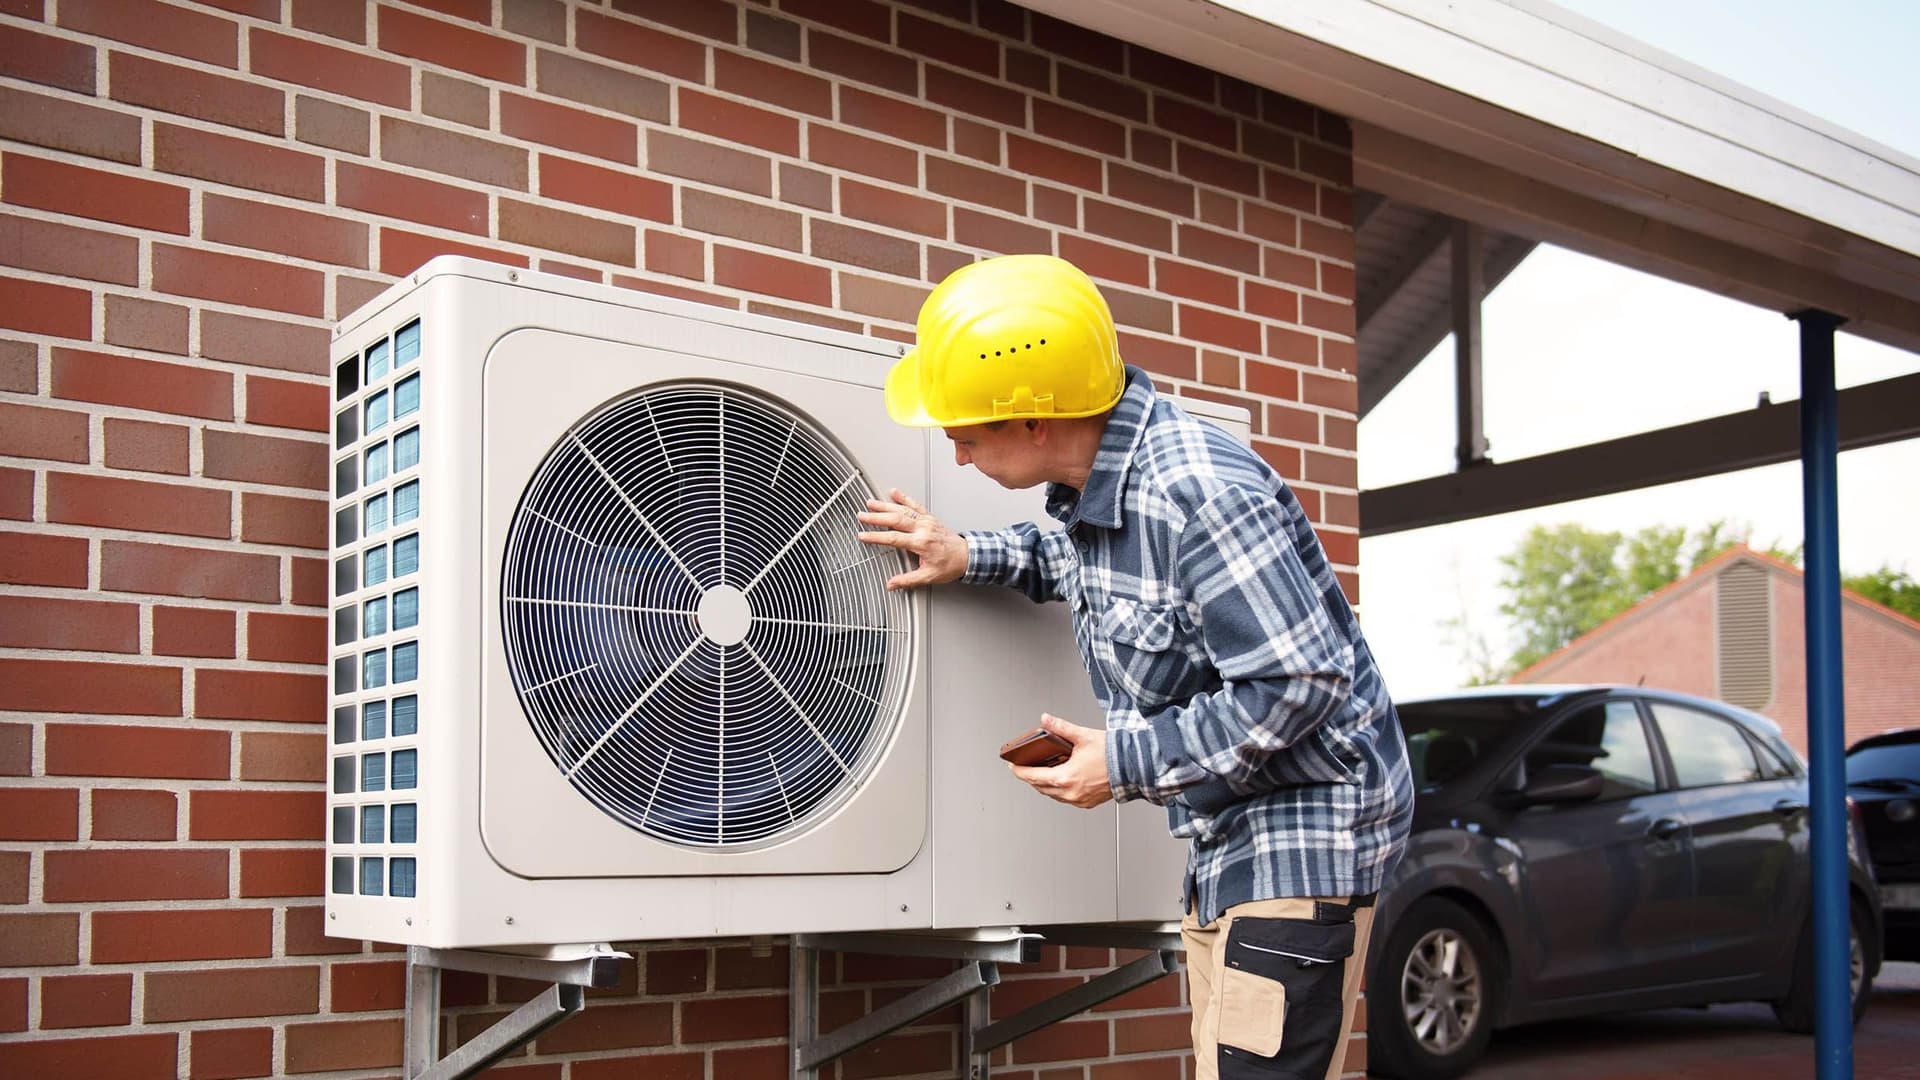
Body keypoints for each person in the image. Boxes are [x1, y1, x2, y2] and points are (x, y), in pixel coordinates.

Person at [856, 253, 1414, 1080]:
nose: (959, 455)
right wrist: (967, 552)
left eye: (965, 434)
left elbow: (1296, 684)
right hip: (1230, 835)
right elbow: (1085, 561)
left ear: (1035, 420)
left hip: (1306, 831)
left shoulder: (1200, 490)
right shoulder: (1110, 488)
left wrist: (1122, 761)